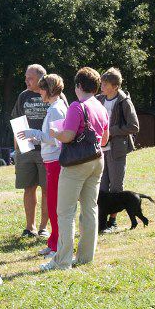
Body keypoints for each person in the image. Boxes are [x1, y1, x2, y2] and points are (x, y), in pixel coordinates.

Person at [41, 68, 109, 271]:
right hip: (97, 160)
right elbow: (104, 139)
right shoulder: (101, 106)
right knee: (90, 210)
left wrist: (55, 133)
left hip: (76, 163)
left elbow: (68, 135)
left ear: (79, 85)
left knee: (66, 212)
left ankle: (62, 261)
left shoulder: (76, 106)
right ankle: (85, 257)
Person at [17, 74, 67, 257]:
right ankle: (53, 242)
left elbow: (55, 139)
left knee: (54, 205)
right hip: (51, 160)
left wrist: (34, 133)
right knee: (53, 203)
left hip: (54, 161)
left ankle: (57, 246)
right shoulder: (56, 106)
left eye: (41, 90)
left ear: (48, 90)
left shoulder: (55, 109)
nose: (39, 94)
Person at [96, 68, 139, 232]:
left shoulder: (124, 101)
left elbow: (134, 126)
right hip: (100, 149)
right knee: (102, 186)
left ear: (115, 86)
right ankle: (101, 222)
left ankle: (112, 222)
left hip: (117, 150)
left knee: (115, 186)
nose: (101, 86)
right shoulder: (99, 99)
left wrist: (111, 131)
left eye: (105, 84)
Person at [11, 64, 51, 238]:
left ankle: (43, 228)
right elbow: (17, 121)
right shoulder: (23, 96)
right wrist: (17, 150)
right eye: (26, 77)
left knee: (47, 189)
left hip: (47, 150)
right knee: (29, 188)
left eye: (30, 78)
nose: (26, 81)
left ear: (41, 79)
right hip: (26, 150)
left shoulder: (55, 95)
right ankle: (30, 227)